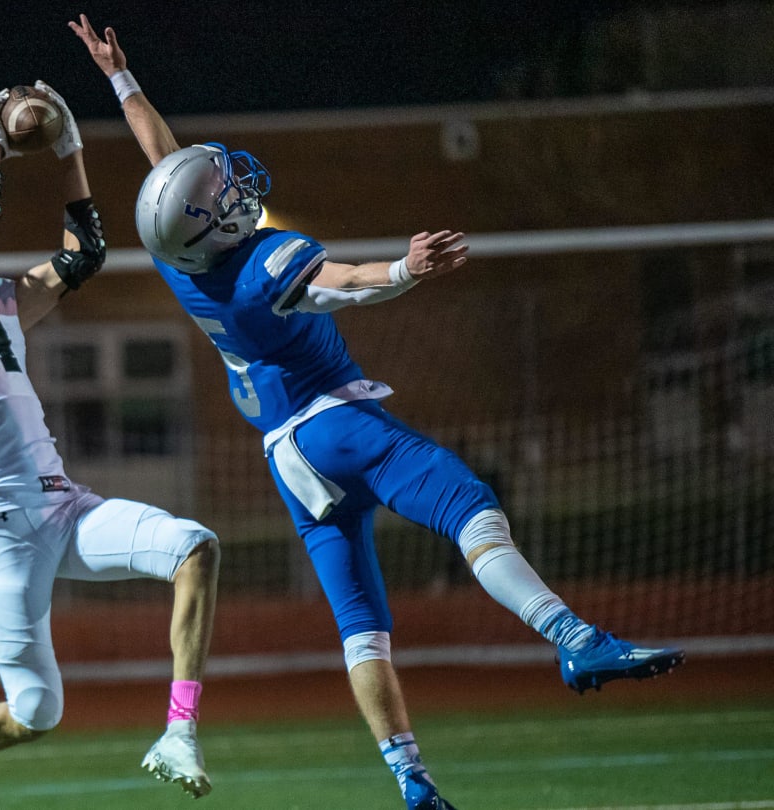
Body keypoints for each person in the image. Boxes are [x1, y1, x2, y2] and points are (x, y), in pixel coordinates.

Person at [67, 15, 685, 810]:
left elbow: (167, 167)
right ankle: (576, 640)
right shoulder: (263, 264)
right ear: (215, 223)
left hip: (289, 461)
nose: (231, 186)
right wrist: (405, 267)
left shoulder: (180, 257)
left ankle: (411, 781)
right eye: (222, 193)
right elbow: (342, 283)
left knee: (362, 623)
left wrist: (123, 81)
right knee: (469, 503)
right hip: (338, 423)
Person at [0, 82, 222, 809]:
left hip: (63, 506)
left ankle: (180, 730)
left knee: (196, 547)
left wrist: (69, 149)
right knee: (37, 711)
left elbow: (83, 255)